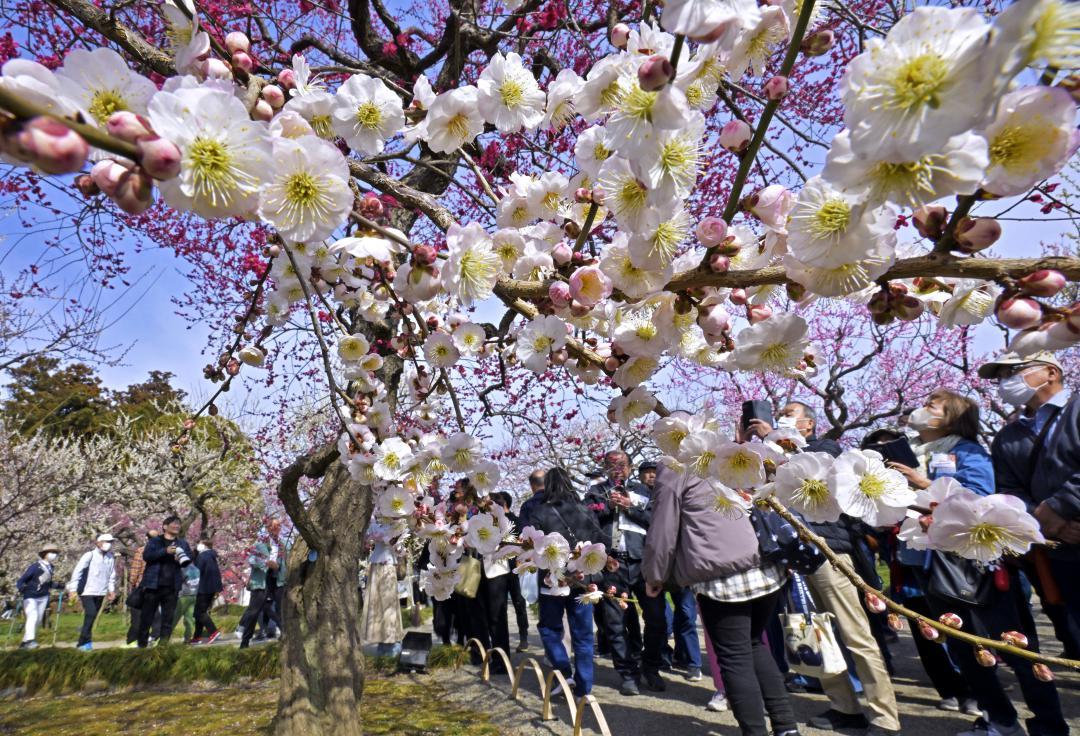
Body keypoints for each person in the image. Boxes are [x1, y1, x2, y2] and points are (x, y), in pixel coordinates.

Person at [751, 400, 900, 736]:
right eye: (781, 413)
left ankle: (884, 717)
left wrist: (776, 440)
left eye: (791, 414)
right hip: (794, 555)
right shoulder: (772, 456)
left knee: (855, 634)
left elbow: (819, 479)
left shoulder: (827, 450)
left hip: (829, 552)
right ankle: (843, 706)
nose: (783, 418)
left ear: (809, 425)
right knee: (815, 633)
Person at [644, 463, 799, 736]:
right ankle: (786, 727)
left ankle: (755, 732)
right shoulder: (729, 454)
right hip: (764, 567)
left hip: (721, 576)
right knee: (754, 644)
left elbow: (663, 530)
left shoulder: (674, 468)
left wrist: (655, 576)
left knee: (734, 657)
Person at [864, 426, 979, 715]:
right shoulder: (872, 485)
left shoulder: (933, 468)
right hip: (905, 563)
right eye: (878, 449)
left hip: (943, 561)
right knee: (924, 630)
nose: (888, 455)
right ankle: (947, 687)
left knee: (956, 626)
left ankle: (972, 691)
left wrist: (919, 483)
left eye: (892, 446)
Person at [983, 352, 1080, 628]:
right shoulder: (1007, 437)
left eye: (1013, 371)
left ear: (1051, 372)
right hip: (1061, 549)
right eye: (1000, 378)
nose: (1005, 382)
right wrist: (1048, 522)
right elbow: (1009, 492)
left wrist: (1060, 507)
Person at [584, 449, 666, 695]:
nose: (617, 470)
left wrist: (630, 507)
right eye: (612, 465)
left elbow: (656, 520)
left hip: (643, 563)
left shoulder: (643, 492)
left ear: (630, 467)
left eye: (622, 465)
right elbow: (588, 522)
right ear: (606, 467)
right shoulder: (595, 493)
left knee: (657, 619)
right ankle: (627, 673)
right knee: (614, 623)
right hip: (613, 564)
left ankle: (651, 667)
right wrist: (607, 507)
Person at [528, 466, 610, 698]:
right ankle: (584, 687)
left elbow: (534, 547)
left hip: (552, 579)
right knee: (583, 634)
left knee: (550, 629)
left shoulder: (540, 512)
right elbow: (601, 541)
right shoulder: (585, 510)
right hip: (582, 579)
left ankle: (565, 675)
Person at [137, 515, 193, 647]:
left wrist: (181, 559)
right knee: (147, 617)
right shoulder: (155, 541)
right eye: (173, 524)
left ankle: (163, 646)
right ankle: (142, 645)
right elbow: (147, 556)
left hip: (172, 586)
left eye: (178, 524)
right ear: (165, 527)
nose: (177, 526)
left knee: (168, 619)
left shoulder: (182, 543)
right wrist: (165, 551)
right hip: (153, 585)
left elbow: (189, 558)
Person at [360, 517, 405, 656]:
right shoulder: (375, 519)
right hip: (376, 565)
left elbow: (400, 548)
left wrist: (396, 542)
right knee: (375, 603)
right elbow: (370, 536)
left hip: (388, 565)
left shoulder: (399, 523)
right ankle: (380, 640)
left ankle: (392, 642)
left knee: (389, 604)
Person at [67, 533, 117, 651]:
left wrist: (111, 590)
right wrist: (73, 589)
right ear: (98, 543)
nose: (108, 544)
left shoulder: (110, 557)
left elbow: (111, 575)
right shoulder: (89, 555)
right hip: (87, 591)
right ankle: (83, 642)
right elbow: (77, 571)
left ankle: (86, 641)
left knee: (92, 617)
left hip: (101, 591)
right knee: (91, 613)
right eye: (106, 541)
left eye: (110, 542)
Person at [493, 492, 530, 652]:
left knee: (519, 602)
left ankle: (523, 638)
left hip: (514, 568)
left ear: (505, 502)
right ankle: (501, 642)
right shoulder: (491, 521)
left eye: (497, 501)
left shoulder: (516, 520)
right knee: (499, 606)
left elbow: (523, 543)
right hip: (497, 568)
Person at [16, 543, 60, 649]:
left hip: (43, 596)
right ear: (45, 554)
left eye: (55, 553)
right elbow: (22, 580)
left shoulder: (51, 568)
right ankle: (30, 640)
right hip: (30, 596)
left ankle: (25, 642)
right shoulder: (35, 566)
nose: (54, 555)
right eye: (52, 552)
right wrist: (21, 588)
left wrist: (59, 585)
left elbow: (48, 583)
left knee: (38, 620)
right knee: (33, 616)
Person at [238, 538, 280, 648]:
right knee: (254, 612)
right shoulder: (258, 546)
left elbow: (279, 565)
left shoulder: (278, 548)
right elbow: (251, 560)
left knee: (272, 611)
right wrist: (265, 562)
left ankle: (284, 631)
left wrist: (276, 565)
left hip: (272, 586)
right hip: (259, 586)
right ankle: (244, 641)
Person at [192, 536, 223, 644]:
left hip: (203, 588)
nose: (197, 546)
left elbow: (196, 572)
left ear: (204, 545)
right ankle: (197, 637)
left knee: (198, 612)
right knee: (200, 612)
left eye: (199, 543)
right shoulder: (211, 556)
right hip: (211, 588)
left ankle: (213, 631)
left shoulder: (203, 556)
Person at [175, 559, 201, 643]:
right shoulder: (197, 569)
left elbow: (178, 582)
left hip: (183, 596)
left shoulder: (182, 569)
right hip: (194, 595)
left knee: (174, 618)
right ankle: (187, 639)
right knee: (190, 619)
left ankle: (164, 639)